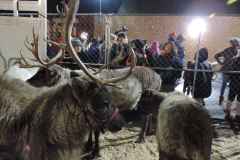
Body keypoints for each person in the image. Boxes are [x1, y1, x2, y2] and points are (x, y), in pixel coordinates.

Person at [214, 38, 240, 105]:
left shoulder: (230, 50)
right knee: (231, 85)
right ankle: (227, 100)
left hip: (229, 69)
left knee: (226, 85)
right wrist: (220, 62)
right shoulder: (235, 50)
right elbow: (216, 55)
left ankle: (224, 100)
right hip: (231, 70)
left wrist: (220, 62)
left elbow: (216, 55)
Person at [224, 53, 240, 121]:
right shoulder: (234, 60)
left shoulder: (233, 60)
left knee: (231, 98)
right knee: (238, 100)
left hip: (233, 82)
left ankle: (228, 114)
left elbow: (229, 71)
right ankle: (238, 115)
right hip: (236, 82)